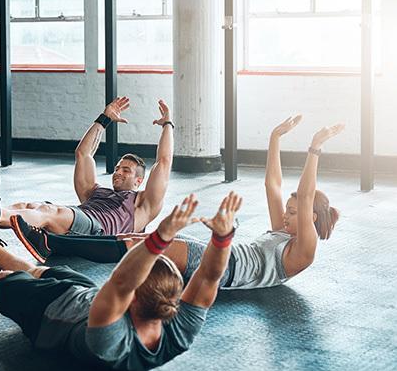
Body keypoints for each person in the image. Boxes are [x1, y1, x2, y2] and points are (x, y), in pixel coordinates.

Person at [29, 118, 344, 291]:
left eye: (293, 213)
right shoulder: (283, 233)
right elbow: (272, 185)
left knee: (145, 245)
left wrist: (314, 149)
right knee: (139, 241)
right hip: (219, 254)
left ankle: (51, 241)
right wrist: (275, 137)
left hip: (224, 269)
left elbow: (304, 197)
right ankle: (58, 244)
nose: (286, 216)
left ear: (310, 219)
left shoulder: (304, 251)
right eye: (288, 212)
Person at [0, 193, 241, 371]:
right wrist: (223, 238)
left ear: (132, 300)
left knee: (3, 282)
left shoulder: (110, 342)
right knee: (39, 270)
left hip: (50, 315)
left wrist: (161, 237)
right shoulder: (180, 330)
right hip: (82, 295)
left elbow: (122, 278)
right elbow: (208, 277)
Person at [0, 96, 174, 260]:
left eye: (126, 170)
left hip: (98, 235)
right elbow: (83, 154)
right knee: (32, 205)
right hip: (78, 222)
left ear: (138, 181)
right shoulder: (96, 192)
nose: (118, 172)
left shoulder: (142, 205)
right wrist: (104, 119)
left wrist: (167, 125)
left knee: (50, 211)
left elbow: (163, 163)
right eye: (117, 168)